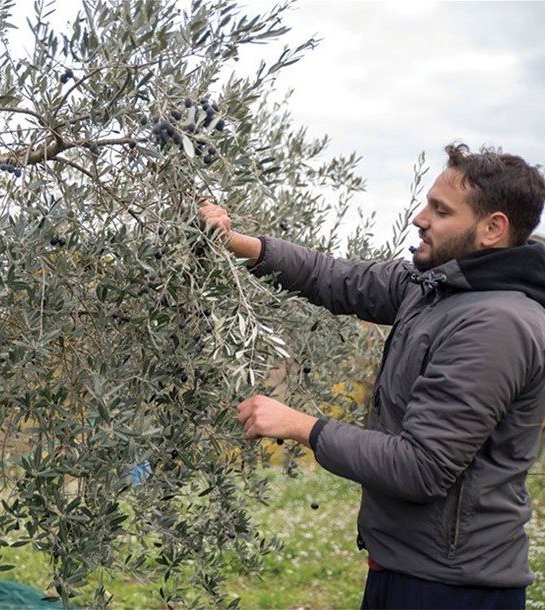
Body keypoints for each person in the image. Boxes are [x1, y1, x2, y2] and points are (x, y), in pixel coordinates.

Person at [199, 143, 545, 609]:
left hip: (451, 590)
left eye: (440, 211)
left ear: (492, 228)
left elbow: (421, 467)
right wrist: (238, 244)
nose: (420, 219)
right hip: (410, 569)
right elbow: (333, 277)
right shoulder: (436, 287)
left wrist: (303, 426)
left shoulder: (496, 325)